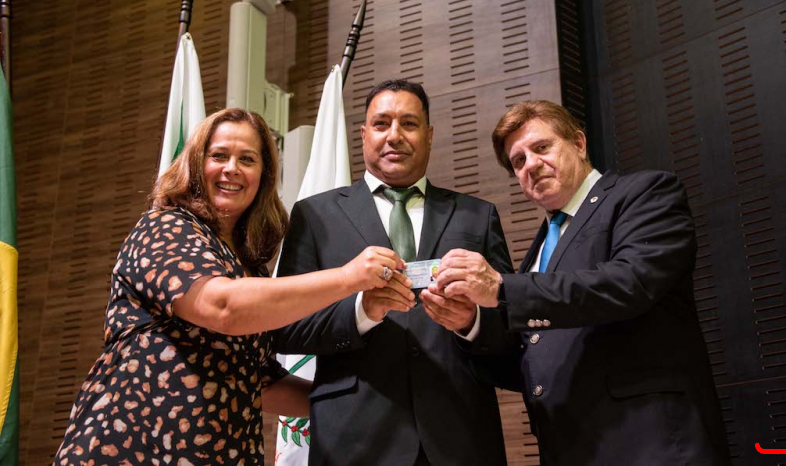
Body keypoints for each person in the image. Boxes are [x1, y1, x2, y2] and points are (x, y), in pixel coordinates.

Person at [53, 108, 408, 465]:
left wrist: (365, 403)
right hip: (132, 448)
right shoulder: (164, 227)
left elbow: (260, 383)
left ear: (263, 176)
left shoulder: (250, 269)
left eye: (247, 159)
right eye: (219, 156)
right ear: (196, 163)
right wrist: (347, 278)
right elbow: (223, 308)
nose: (232, 169)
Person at [431, 100, 730, 465]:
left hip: (651, 445)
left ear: (578, 143)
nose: (531, 165)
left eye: (542, 147)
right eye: (519, 161)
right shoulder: (541, 249)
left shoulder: (645, 193)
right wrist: (470, 324)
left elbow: (628, 284)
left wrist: (502, 289)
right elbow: (536, 362)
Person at [273, 80, 517, 466]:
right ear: (364, 134)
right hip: (352, 439)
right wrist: (361, 312)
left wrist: (471, 323)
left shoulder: (477, 216)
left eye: (409, 123)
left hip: (460, 436)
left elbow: (511, 321)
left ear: (429, 135)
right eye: (382, 123)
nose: (394, 135)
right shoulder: (314, 216)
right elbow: (286, 327)